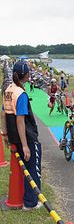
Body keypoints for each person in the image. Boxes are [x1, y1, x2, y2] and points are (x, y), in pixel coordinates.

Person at [1, 61, 42, 210]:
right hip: (26, 137)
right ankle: (31, 203)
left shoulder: (8, 90)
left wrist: (5, 134)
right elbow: (20, 120)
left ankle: (27, 198)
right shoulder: (21, 94)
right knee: (33, 168)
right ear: (25, 75)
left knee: (24, 167)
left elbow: (3, 113)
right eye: (29, 72)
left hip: (13, 136)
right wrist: (25, 145)